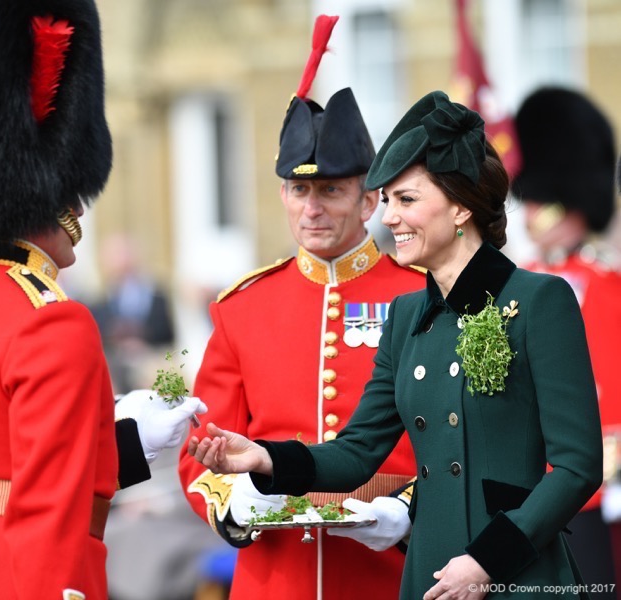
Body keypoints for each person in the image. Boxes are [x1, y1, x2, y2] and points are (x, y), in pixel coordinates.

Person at [189, 90, 604, 600]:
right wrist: (264, 458)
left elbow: (577, 467)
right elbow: (358, 452)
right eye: (386, 201)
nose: (387, 218)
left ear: (458, 207)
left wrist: (486, 562)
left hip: (514, 572)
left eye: (406, 200)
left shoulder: (540, 299)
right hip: (427, 574)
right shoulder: (407, 315)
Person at [0, 1, 205, 598]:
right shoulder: (52, 320)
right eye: (71, 189)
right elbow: (49, 513)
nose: (80, 206)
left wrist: (124, 441)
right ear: (46, 187)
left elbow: (0, 459)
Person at [176, 14, 426, 600]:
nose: (311, 209)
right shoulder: (243, 307)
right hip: (276, 578)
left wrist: (408, 512)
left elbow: (457, 442)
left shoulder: (418, 297)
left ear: (369, 200)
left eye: (331, 191)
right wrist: (240, 501)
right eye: (299, 190)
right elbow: (204, 450)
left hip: (389, 575)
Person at [511, 86, 621, 598]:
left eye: (541, 200)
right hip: (521, 486)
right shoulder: (517, 281)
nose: (531, 210)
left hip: (588, 488)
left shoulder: (605, 285)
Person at [90, 233, 176, 394]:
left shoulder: (155, 295)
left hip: (150, 362)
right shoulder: (100, 300)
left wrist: (141, 339)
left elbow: (168, 334)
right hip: (116, 366)